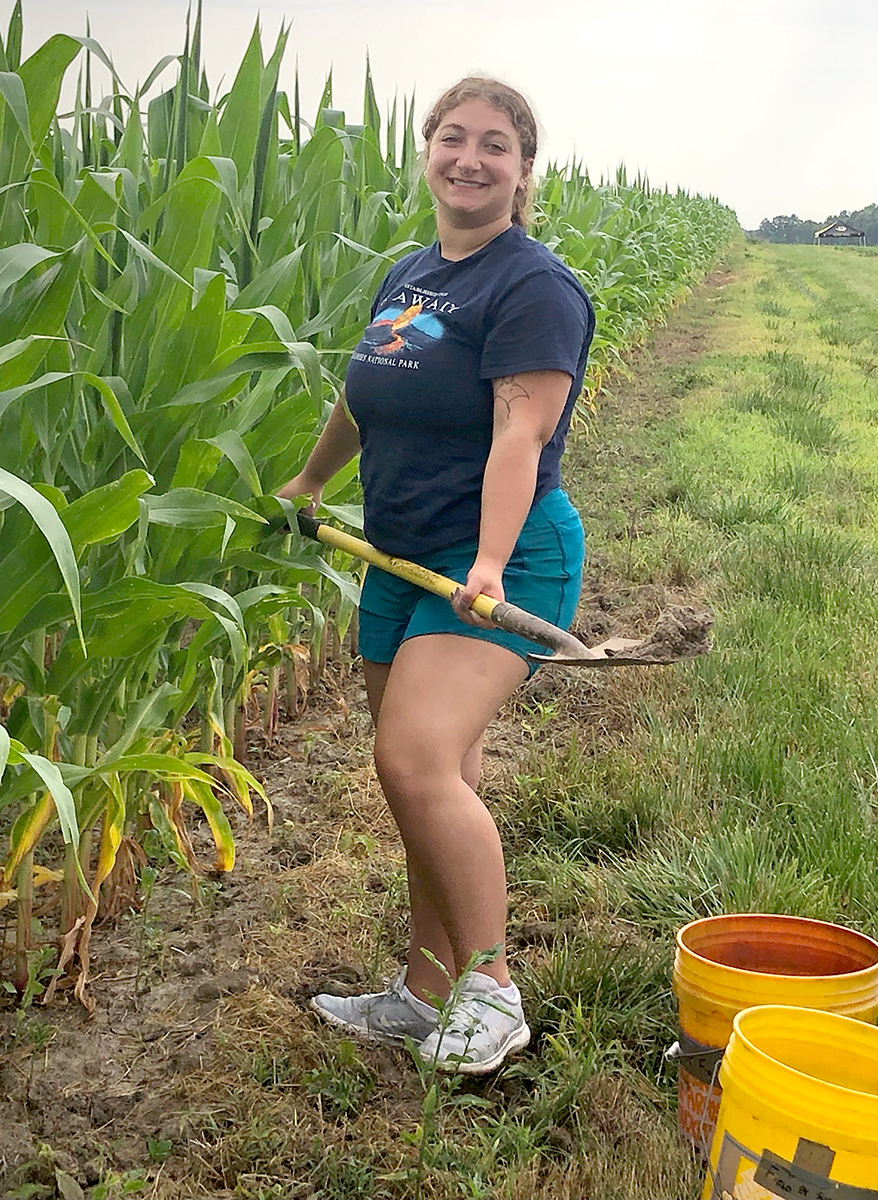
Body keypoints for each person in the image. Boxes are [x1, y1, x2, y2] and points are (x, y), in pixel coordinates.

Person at [275, 77, 594, 1075]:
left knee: (413, 759)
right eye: (451, 138)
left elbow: (519, 435)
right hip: (401, 552)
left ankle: (491, 992)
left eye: (493, 144)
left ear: (522, 170)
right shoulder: (412, 276)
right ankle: (422, 992)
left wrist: (490, 564)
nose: (469, 157)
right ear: (427, 151)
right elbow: (367, 393)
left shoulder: (532, 288)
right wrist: (310, 478)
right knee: (429, 777)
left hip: (502, 557)